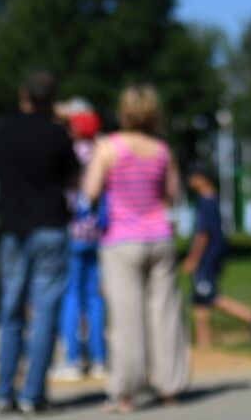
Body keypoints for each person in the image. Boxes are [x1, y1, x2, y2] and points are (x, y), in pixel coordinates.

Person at [83, 85, 190, 413]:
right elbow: (172, 193)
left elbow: (90, 191)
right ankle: (169, 385)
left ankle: (125, 392)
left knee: (126, 318)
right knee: (165, 315)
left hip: (122, 239)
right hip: (159, 237)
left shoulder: (109, 147)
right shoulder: (161, 149)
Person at [0, 69, 78, 414]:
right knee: (44, 315)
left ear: (23, 94)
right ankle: (32, 393)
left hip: (13, 228)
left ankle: (3, 389)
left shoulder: (1, 131)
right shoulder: (57, 135)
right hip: (50, 227)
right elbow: (73, 180)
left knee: (10, 311)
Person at [181, 162, 251, 349]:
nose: (190, 180)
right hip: (213, 256)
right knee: (199, 300)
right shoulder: (211, 200)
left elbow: (203, 234)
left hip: (207, 258)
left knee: (209, 297)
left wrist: (193, 258)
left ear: (202, 179)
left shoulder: (207, 202)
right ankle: (204, 342)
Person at [53, 108, 109, 382]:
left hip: (72, 231)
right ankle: (99, 360)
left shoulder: (68, 152)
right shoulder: (102, 152)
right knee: (96, 298)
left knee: (71, 296)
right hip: (97, 233)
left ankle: (73, 360)